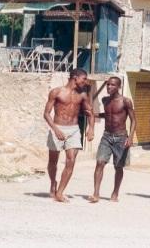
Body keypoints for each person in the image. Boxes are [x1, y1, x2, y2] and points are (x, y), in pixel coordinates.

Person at [43, 68, 95, 203]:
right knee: (53, 161)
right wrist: (55, 129)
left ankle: (60, 192)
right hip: (57, 127)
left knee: (71, 160)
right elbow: (46, 114)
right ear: (75, 77)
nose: (86, 81)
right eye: (84, 78)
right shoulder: (56, 92)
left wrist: (91, 128)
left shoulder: (83, 95)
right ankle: (53, 182)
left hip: (74, 130)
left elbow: (90, 112)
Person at [87, 77, 136, 203]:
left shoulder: (126, 101)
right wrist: (95, 114)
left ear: (118, 87)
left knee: (118, 167)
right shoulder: (105, 100)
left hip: (121, 137)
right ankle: (96, 194)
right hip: (107, 136)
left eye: (112, 85)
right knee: (100, 162)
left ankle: (115, 193)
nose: (109, 87)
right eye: (108, 85)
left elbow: (134, 120)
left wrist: (130, 138)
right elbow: (109, 115)